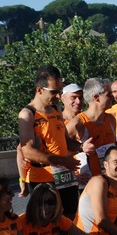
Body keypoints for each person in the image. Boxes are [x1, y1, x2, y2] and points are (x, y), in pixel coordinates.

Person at [18, 66, 88, 219]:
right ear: (39, 90)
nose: (58, 96)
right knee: (47, 220)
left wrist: (82, 147)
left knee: (69, 218)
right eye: (54, 92)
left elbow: (65, 140)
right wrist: (62, 161)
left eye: (60, 91)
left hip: (65, 175)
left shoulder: (55, 109)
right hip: (44, 178)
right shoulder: (28, 114)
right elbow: (27, 150)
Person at [66, 78, 117, 185]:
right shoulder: (78, 123)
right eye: (109, 94)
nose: (113, 96)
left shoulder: (111, 119)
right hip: (89, 184)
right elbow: (59, 150)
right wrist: (74, 175)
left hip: (111, 181)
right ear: (96, 98)